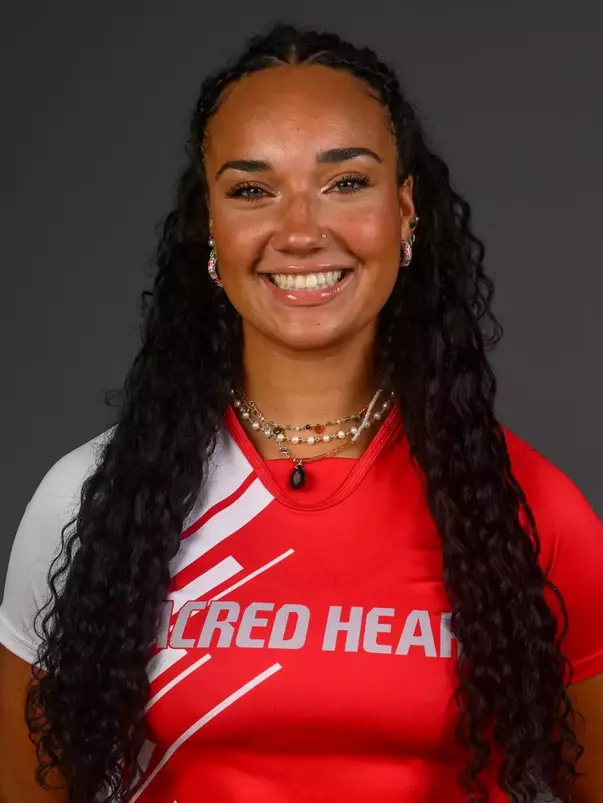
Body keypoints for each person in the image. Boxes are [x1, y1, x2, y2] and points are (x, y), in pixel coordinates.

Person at [0, 21, 602, 803]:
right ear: (209, 227)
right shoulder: (91, 503)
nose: (299, 232)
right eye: (251, 190)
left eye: (345, 182)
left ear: (405, 210)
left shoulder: (525, 510)